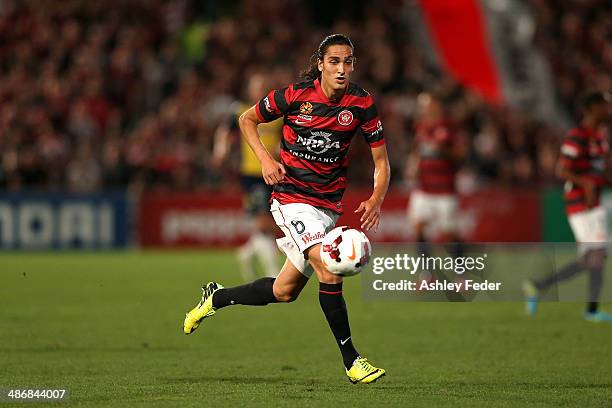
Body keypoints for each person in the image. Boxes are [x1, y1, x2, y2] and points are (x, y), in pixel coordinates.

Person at [183, 34, 390, 383]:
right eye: (335, 61)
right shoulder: (294, 95)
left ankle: (216, 298)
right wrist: (265, 160)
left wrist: (376, 198)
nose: (342, 69)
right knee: (329, 270)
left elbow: (381, 161)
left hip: (328, 206)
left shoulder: (362, 103)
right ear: (321, 64)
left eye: (348, 61)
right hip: (291, 198)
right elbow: (247, 120)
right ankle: (352, 361)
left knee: (284, 292)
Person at [523, 91, 612, 322]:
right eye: (605, 105)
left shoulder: (600, 137)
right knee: (597, 255)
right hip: (579, 202)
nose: (609, 109)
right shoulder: (577, 136)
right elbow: (562, 170)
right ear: (592, 109)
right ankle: (591, 311)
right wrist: (586, 184)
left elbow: (600, 172)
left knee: (593, 257)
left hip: (595, 202)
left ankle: (538, 286)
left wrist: (599, 182)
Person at [212, 72, 282, 280]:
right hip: (252, 174)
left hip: (276, 173)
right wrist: (220, 150)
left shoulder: (278, 115)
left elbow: (284, 139)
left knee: (269, 222)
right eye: (256, 86)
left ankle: (247, 252)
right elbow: (224, 132)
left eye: (263, 86)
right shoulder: (242, 111)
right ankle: (272, 272)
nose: (260, 90)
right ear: (249, 90)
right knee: (263, 223)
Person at [405, 92, 464, 273]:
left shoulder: (448, 126)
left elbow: (460, 153)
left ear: (436, 106)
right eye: (421, 105)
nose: (423, 108)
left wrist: (442, 150)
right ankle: (426, 274)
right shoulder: (420, 128)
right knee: (418, 228)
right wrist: (412, 165)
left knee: (449, 234)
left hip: (445, 190)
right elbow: (417, 151)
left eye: (426, 104)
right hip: (424, 188)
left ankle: (461, 274)